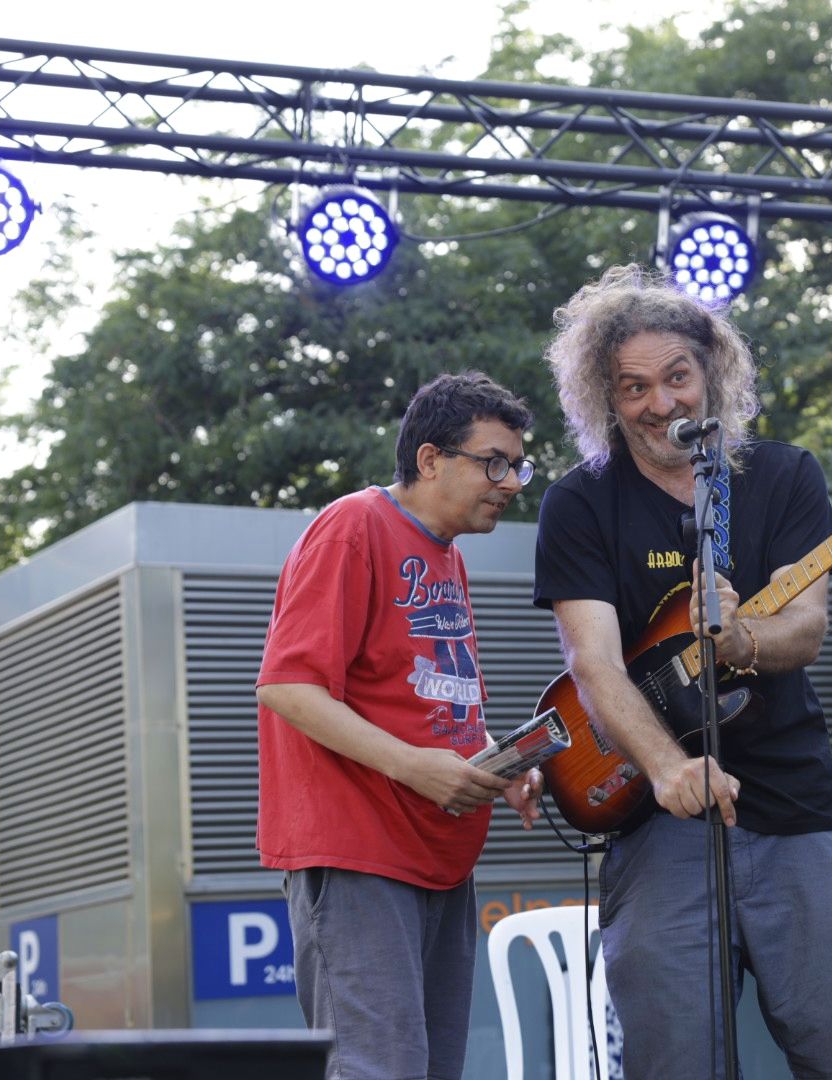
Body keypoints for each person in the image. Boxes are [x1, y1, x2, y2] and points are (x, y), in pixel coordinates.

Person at [532, 265, 832, 1080]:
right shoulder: (579, 503)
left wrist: (737, 641)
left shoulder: (784, 476)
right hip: (657, 818)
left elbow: (807, 629)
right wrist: (667, 768)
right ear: (604, 397)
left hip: (795, 802)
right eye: (633, 387)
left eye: (676, 377)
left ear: (712, 372)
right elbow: (592, 664)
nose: (660, 403)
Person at [255, 371, 544, 1080]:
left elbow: (433, 700)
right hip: (360, 852)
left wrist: (497, 763)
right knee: (377, 1070)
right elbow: (287, 686)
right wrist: (414, 767)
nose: (511, 483)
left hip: (438, 855)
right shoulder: (353, 525)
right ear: (430, 459)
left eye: (518, 465)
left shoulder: (448, 555)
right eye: (495, 463)